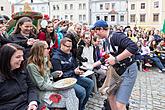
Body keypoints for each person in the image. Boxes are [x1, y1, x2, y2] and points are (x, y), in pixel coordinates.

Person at [92, 20, 138, 110]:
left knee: (120, 104)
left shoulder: (116, 36)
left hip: (128, 70)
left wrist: (116, 59)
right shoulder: (105, 41)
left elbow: (133, 47)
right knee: (110, 95)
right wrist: (92, 65)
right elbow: (106, 56)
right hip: (117, 72)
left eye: (96, 30)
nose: (95, 33)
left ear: (101, 29)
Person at [27, 41, 79, 110]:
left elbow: (47, 77)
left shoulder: (45, 59)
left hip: (51, 86)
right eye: (47, 48)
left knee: (71, 91)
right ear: (40, 50)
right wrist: (59, 87)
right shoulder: (32, 66)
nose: (49, 50)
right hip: (43, 93)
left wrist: (54, 74)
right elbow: (41, 85)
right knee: (69, 101)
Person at [51, 37, 94, 110]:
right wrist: (73, 72)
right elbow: (58, 77)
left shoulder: (69, 54)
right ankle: (78, 107)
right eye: (68, 46)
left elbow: (74, 66)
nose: (70, 48)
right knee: (81, 91)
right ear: (61, 45)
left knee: (90, 83)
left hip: (74, 77)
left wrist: (78, 70)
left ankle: (82, 106)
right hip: (64, 81)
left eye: (71, 46)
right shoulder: (56, 58)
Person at [0, 43, 39, 110]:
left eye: (22, 56)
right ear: (6, 58)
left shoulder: (22, 70)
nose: (22, 59)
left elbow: (31, 87)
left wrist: (33, 102)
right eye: (18, 57)